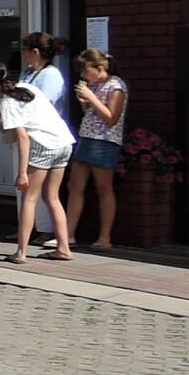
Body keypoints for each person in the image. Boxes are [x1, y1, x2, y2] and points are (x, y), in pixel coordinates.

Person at [0, 61, 74, 263]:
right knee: (53, 197)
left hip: (42, 144)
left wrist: (22, 172)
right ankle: (64, 248)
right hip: (64, 141)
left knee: (29, 198)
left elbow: (23, 137)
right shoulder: (27, 87)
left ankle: (21, 252)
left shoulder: (8, 102)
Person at [65, 48, 128, 249]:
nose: (83, 76)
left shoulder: (116, 86)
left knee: (103, 188)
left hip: (105, 141)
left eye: (86, 71)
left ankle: (104, 238)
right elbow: (92, 113)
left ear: (99, 68)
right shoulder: (95, 85)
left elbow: (111, 118)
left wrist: (91, 98)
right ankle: (67, 235)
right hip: (86, 137)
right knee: (75, 186)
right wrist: (85, 102)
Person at [21, 32, 69, 240]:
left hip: (44, 136)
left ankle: (45, 231)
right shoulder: (27, 72)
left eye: (24, 50)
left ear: (35, 52)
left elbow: (43, 104)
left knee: (39, 192)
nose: (22, 54)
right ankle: (27, 228)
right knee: (28, 190)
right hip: (28, 133)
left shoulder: (51, 76)